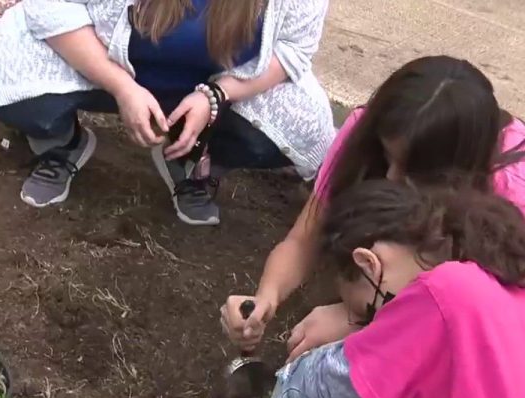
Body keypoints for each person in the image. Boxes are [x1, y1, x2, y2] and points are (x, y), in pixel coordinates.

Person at [220, 55, 525, 358]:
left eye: (413, 170)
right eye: (388, 156)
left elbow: (487, 332)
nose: (391, 176)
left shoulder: (512, 196)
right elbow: (303, 239)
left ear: (459, 171)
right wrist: (265, 297)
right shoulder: (365, 133)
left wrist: (358, 325)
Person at [0, 0, 335, 225]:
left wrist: (216, 95)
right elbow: (49, 6)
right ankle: (61, 145)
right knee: (15, 88)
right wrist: (122, 86)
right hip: (102, 61)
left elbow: (292, 51)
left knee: (286, 134)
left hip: (213, 82)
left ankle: (191, 158)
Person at [255, 180, 525, 398]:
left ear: (369, 264)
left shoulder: (444, 293)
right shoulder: (500, 274)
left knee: (306, 384)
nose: (373, 324)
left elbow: (335, 392)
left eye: (368, 314)